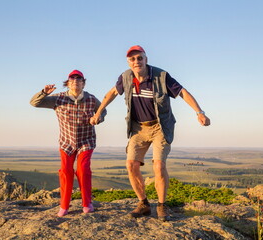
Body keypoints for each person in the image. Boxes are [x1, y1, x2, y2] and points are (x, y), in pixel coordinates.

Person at [90, 45, 210, 221]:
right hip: (138, 127)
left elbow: (183, 92)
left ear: (146, 59)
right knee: (131, 165)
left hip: (160, 126)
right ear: (128, 62)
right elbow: (112, 93)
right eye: (132, 59)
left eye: (140, 58)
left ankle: (161, 206)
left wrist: (199, 112)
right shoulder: (125, 77)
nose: (136, 61)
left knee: (158, 165)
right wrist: (99, 112)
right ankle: (144, 204)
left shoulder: (161, 76)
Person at [30, 70, 106, 217]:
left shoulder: (91, 99)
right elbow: (34, 103)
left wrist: (98, 117)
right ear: (68, 83)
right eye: (72, 79)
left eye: (79, 79)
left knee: (83, 170)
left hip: (86, 140)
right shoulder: (58, 99)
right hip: (66, 141)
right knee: (65, 171)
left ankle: (87, 203)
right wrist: (44, 92)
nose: (75, 81)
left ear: (83, 83)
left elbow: (103, 110)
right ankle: (64, 206)